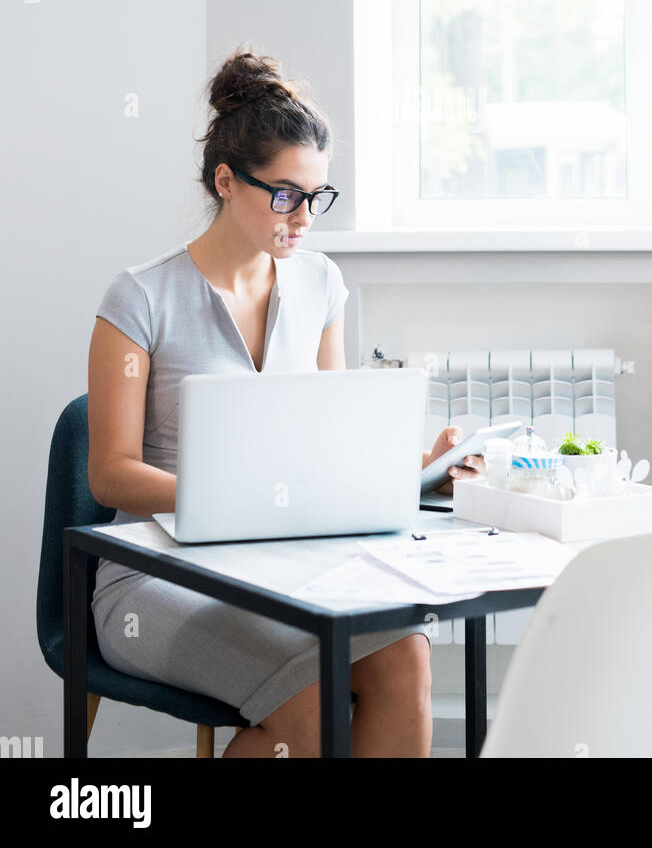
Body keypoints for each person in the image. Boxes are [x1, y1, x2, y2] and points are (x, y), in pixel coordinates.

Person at [88, 46, 485, 758]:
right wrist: (230, 499)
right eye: (286, 194)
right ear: (226, 181)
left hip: (282, 568)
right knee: (310, 695)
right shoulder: (140, 298)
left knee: (404, 656)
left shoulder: (320, 284)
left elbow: (328, 446)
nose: (304, 218)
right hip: (156, 579)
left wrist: (420, 467)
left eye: (317, 196)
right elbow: (109, 475)